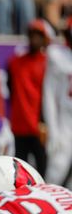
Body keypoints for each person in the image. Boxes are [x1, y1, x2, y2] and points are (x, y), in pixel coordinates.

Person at [9, 19, 52, 176]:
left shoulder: (49, 63)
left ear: (45, 39)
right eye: (32, 34)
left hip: (39, 127)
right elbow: (10, 89)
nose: (34, 39)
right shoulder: (15, 62)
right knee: (21, 173)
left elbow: (49, 97)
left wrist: (45, 121)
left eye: (38, 35)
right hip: (20, 126)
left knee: (43, 171)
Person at [42, 18, 72, 187]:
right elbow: (49, 94)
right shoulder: (58, 56)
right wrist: (52, 129)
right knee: (58, 166)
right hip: (65, 119)